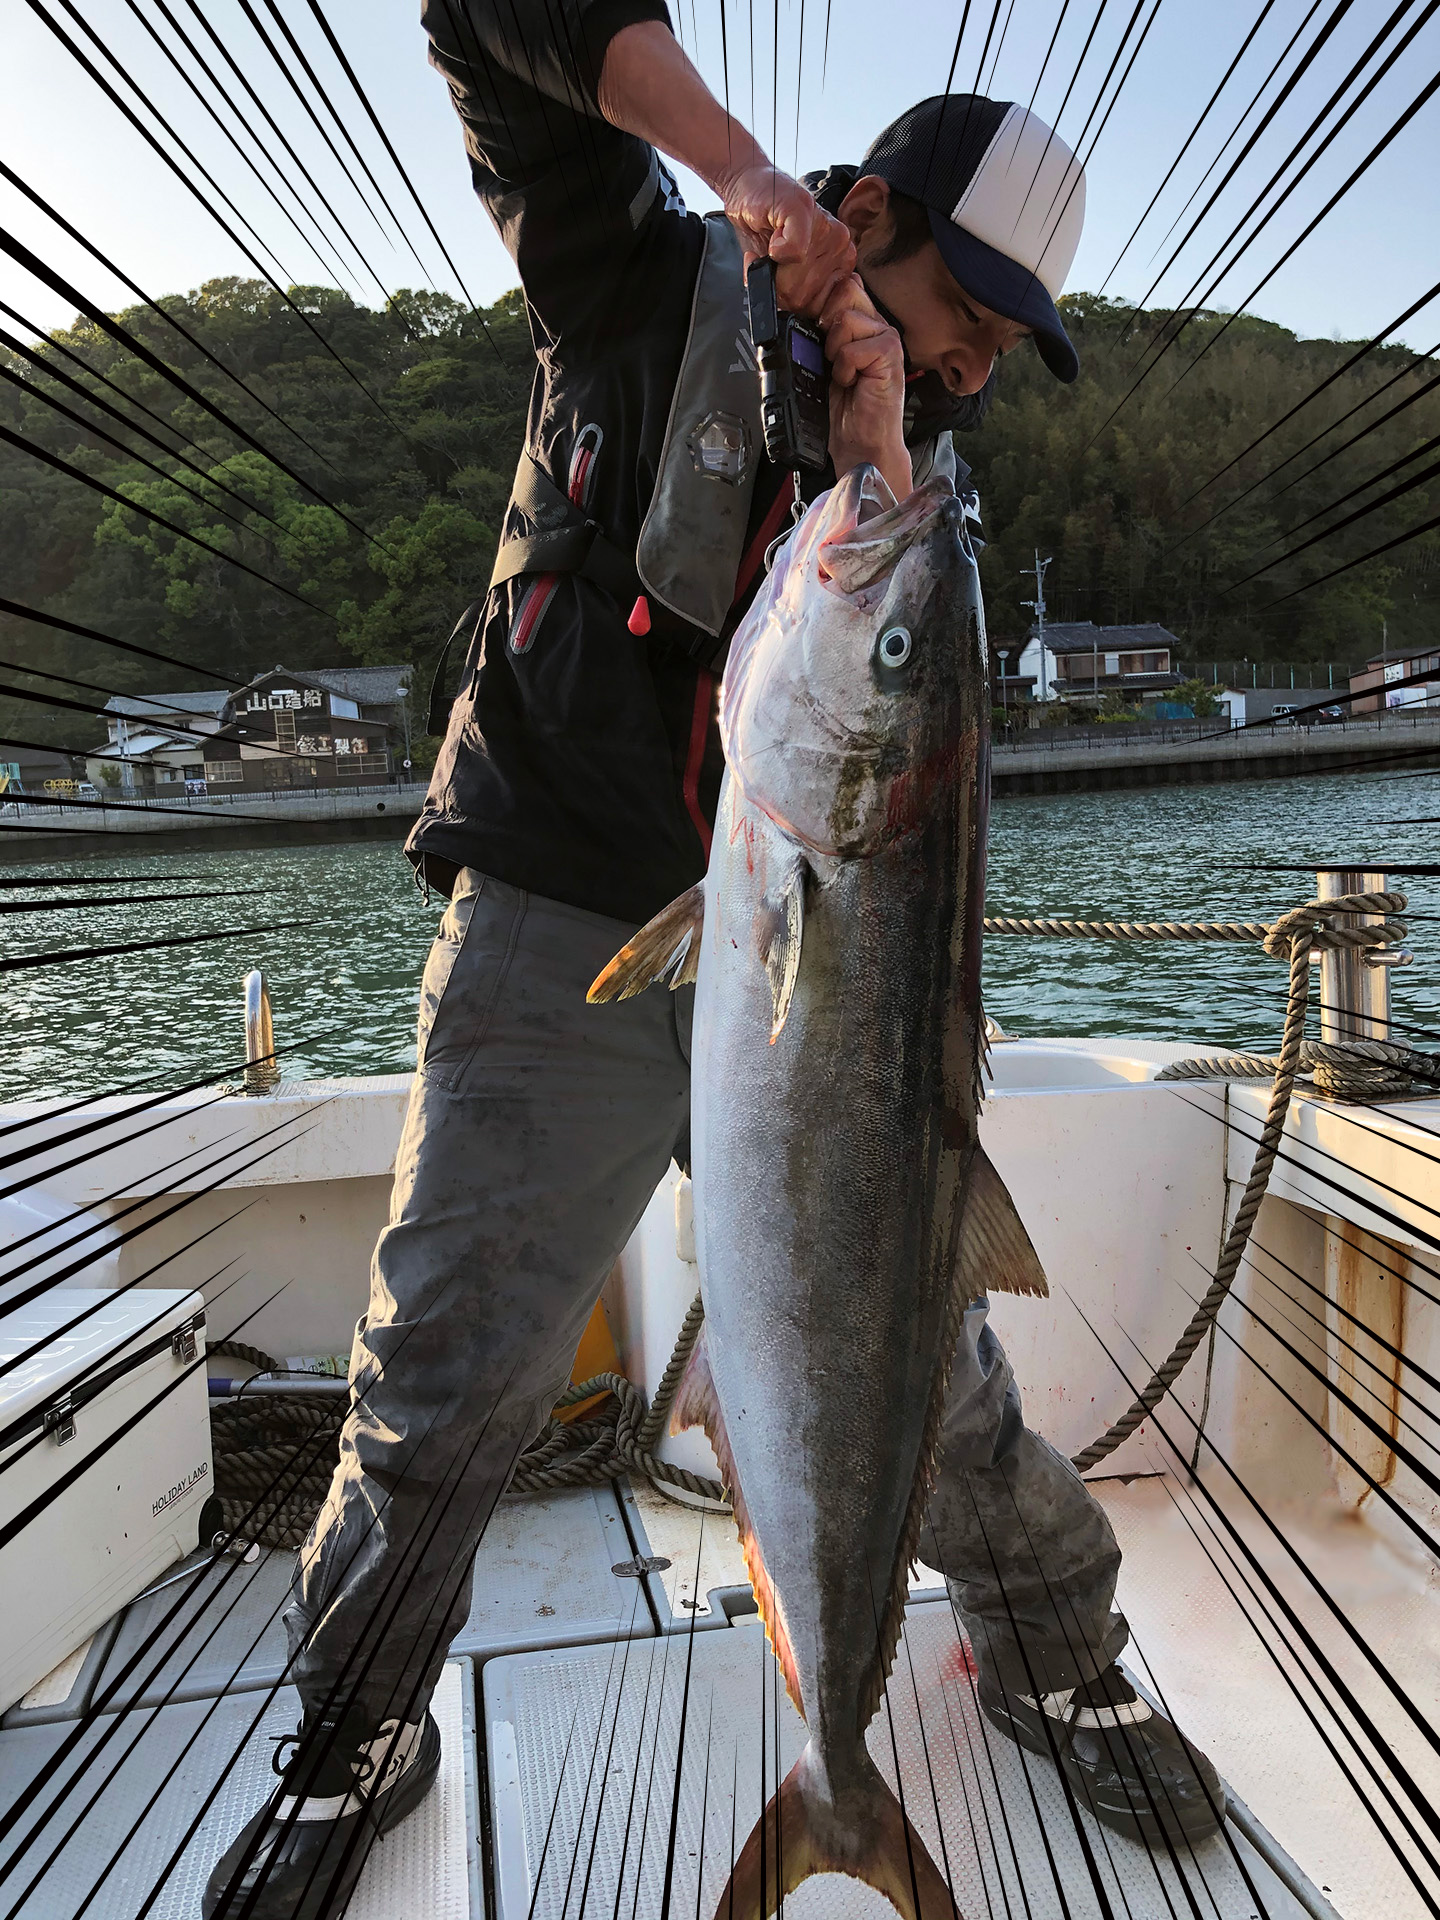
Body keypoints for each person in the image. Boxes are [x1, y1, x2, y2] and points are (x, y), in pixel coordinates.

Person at [204, 8, 1223, 1915]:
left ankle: (1058, 1656)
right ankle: (353, 1726)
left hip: (819, 970)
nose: (982, 358)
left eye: (1012, 340)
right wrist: (737, 172)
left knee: (930, 1375)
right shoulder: (633, 276)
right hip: (571, 914)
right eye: (971, 302)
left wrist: (872, 449)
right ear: (874, 211)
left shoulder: (915, 484)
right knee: (450, 1359)